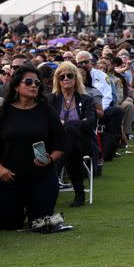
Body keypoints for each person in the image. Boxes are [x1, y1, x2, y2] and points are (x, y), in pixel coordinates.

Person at [0, 66, 65, 230]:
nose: (33, 85)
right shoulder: (1, 113)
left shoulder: (47, 111)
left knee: (39, 224)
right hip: (9, 178)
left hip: (41, 177)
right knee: (9, 226)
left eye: (36, 82)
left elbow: (61, 144)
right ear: (16, 86)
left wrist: (50, 159)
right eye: (28, 82)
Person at [47, 63, 96, 207]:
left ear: (76, 78)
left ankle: (54, 171)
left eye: (70, 75)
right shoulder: (51, 99)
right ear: (57, 80)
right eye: (62, 76)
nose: (66, 79)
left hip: (84, 142)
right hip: (60, 144)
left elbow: (90, 122)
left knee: (70, 132)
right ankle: (79, 193)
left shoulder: (86, 99)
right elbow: (48, 123)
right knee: (71, 147)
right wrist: (77, 122)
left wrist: (64, 123)